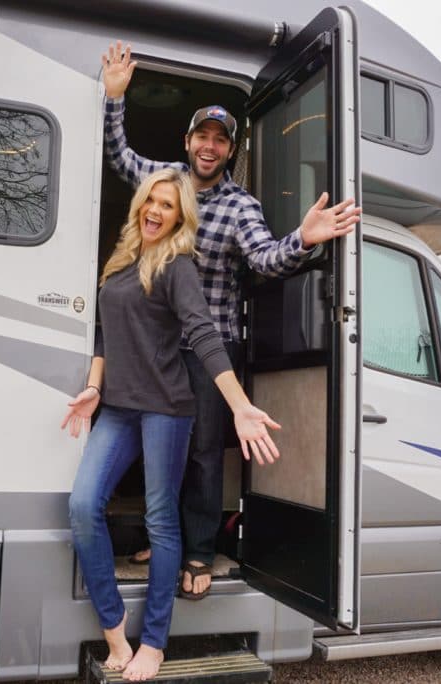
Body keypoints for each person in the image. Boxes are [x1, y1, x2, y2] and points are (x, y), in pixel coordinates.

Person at [101, 41, 362, 599]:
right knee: (158, 445)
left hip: (209, 349)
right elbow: (120, 158)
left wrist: (303, 238)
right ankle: (160, 535)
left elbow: (266, 259)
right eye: (203, 136)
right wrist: (114, 99)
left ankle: (197, 552)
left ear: (230, 149)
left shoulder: (240, 205)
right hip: (156, 346)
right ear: (188, 141)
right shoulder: (165, 184)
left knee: (200, 452)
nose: (210, 146)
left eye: (221, 139)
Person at [63, 167, 282, 681]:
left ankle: (155, 642)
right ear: (141, 203)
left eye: (169, 205)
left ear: (181, 216)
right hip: (116, 405)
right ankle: (115, 631)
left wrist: (238, 403)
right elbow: (103, 334)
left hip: (167, 407)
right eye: (152, 201)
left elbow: (204, 335)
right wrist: (95, 387)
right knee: (81, 507)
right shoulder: (119, 262)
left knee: (162, 521)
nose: (156, 211)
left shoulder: (179, 265)